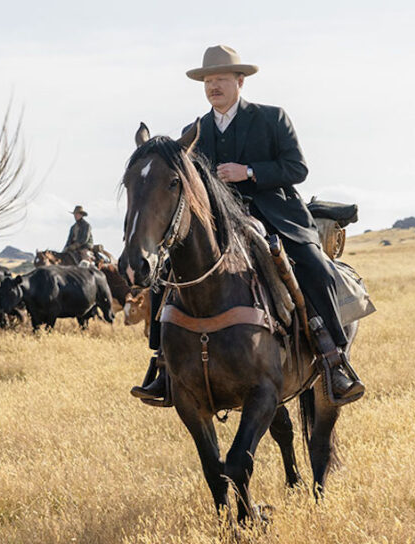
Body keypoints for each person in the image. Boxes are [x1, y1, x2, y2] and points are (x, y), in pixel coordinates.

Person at [130, 45, 365, 406]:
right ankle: (161, 367)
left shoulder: (272, 118)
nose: (213, 86)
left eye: (221, 79)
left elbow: (297, 168)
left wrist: (249, 172)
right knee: (167, 275)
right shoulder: (193, 132)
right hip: (219, 226)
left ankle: (333, 359)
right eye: (208, 81)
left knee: (315, 268)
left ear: (240, 81)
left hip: (277, 217)